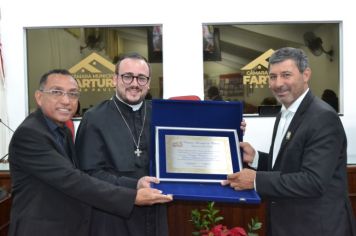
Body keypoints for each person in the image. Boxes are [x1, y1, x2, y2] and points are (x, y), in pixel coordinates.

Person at [8, 69, 172, 236]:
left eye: (73, 94)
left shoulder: (60, 130)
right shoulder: (30, 134)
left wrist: (136, 184)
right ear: (39, 97)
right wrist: (133, 197)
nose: (66, 100)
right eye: (57, 92)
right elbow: (73, 180)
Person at [222, 47, 356, 236]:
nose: (278, 84)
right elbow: (288, 165)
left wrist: (256, 180)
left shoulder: (323, 117)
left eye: (286, 75)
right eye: (273, 76)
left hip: (316, 228)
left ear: (306, 74)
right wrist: (256, 158)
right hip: (287, 225)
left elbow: (313, 181)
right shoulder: (284, 113)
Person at [75, 53, 168, 236]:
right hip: (112, 216)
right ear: (115, 79)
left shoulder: (161, 114)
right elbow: (88, 174)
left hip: (155, 212)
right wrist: (134, 186)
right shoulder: (94, 118)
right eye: (127, 76)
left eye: (141, 78)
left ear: (148, 83)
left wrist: (228, 128)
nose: (134, 83)